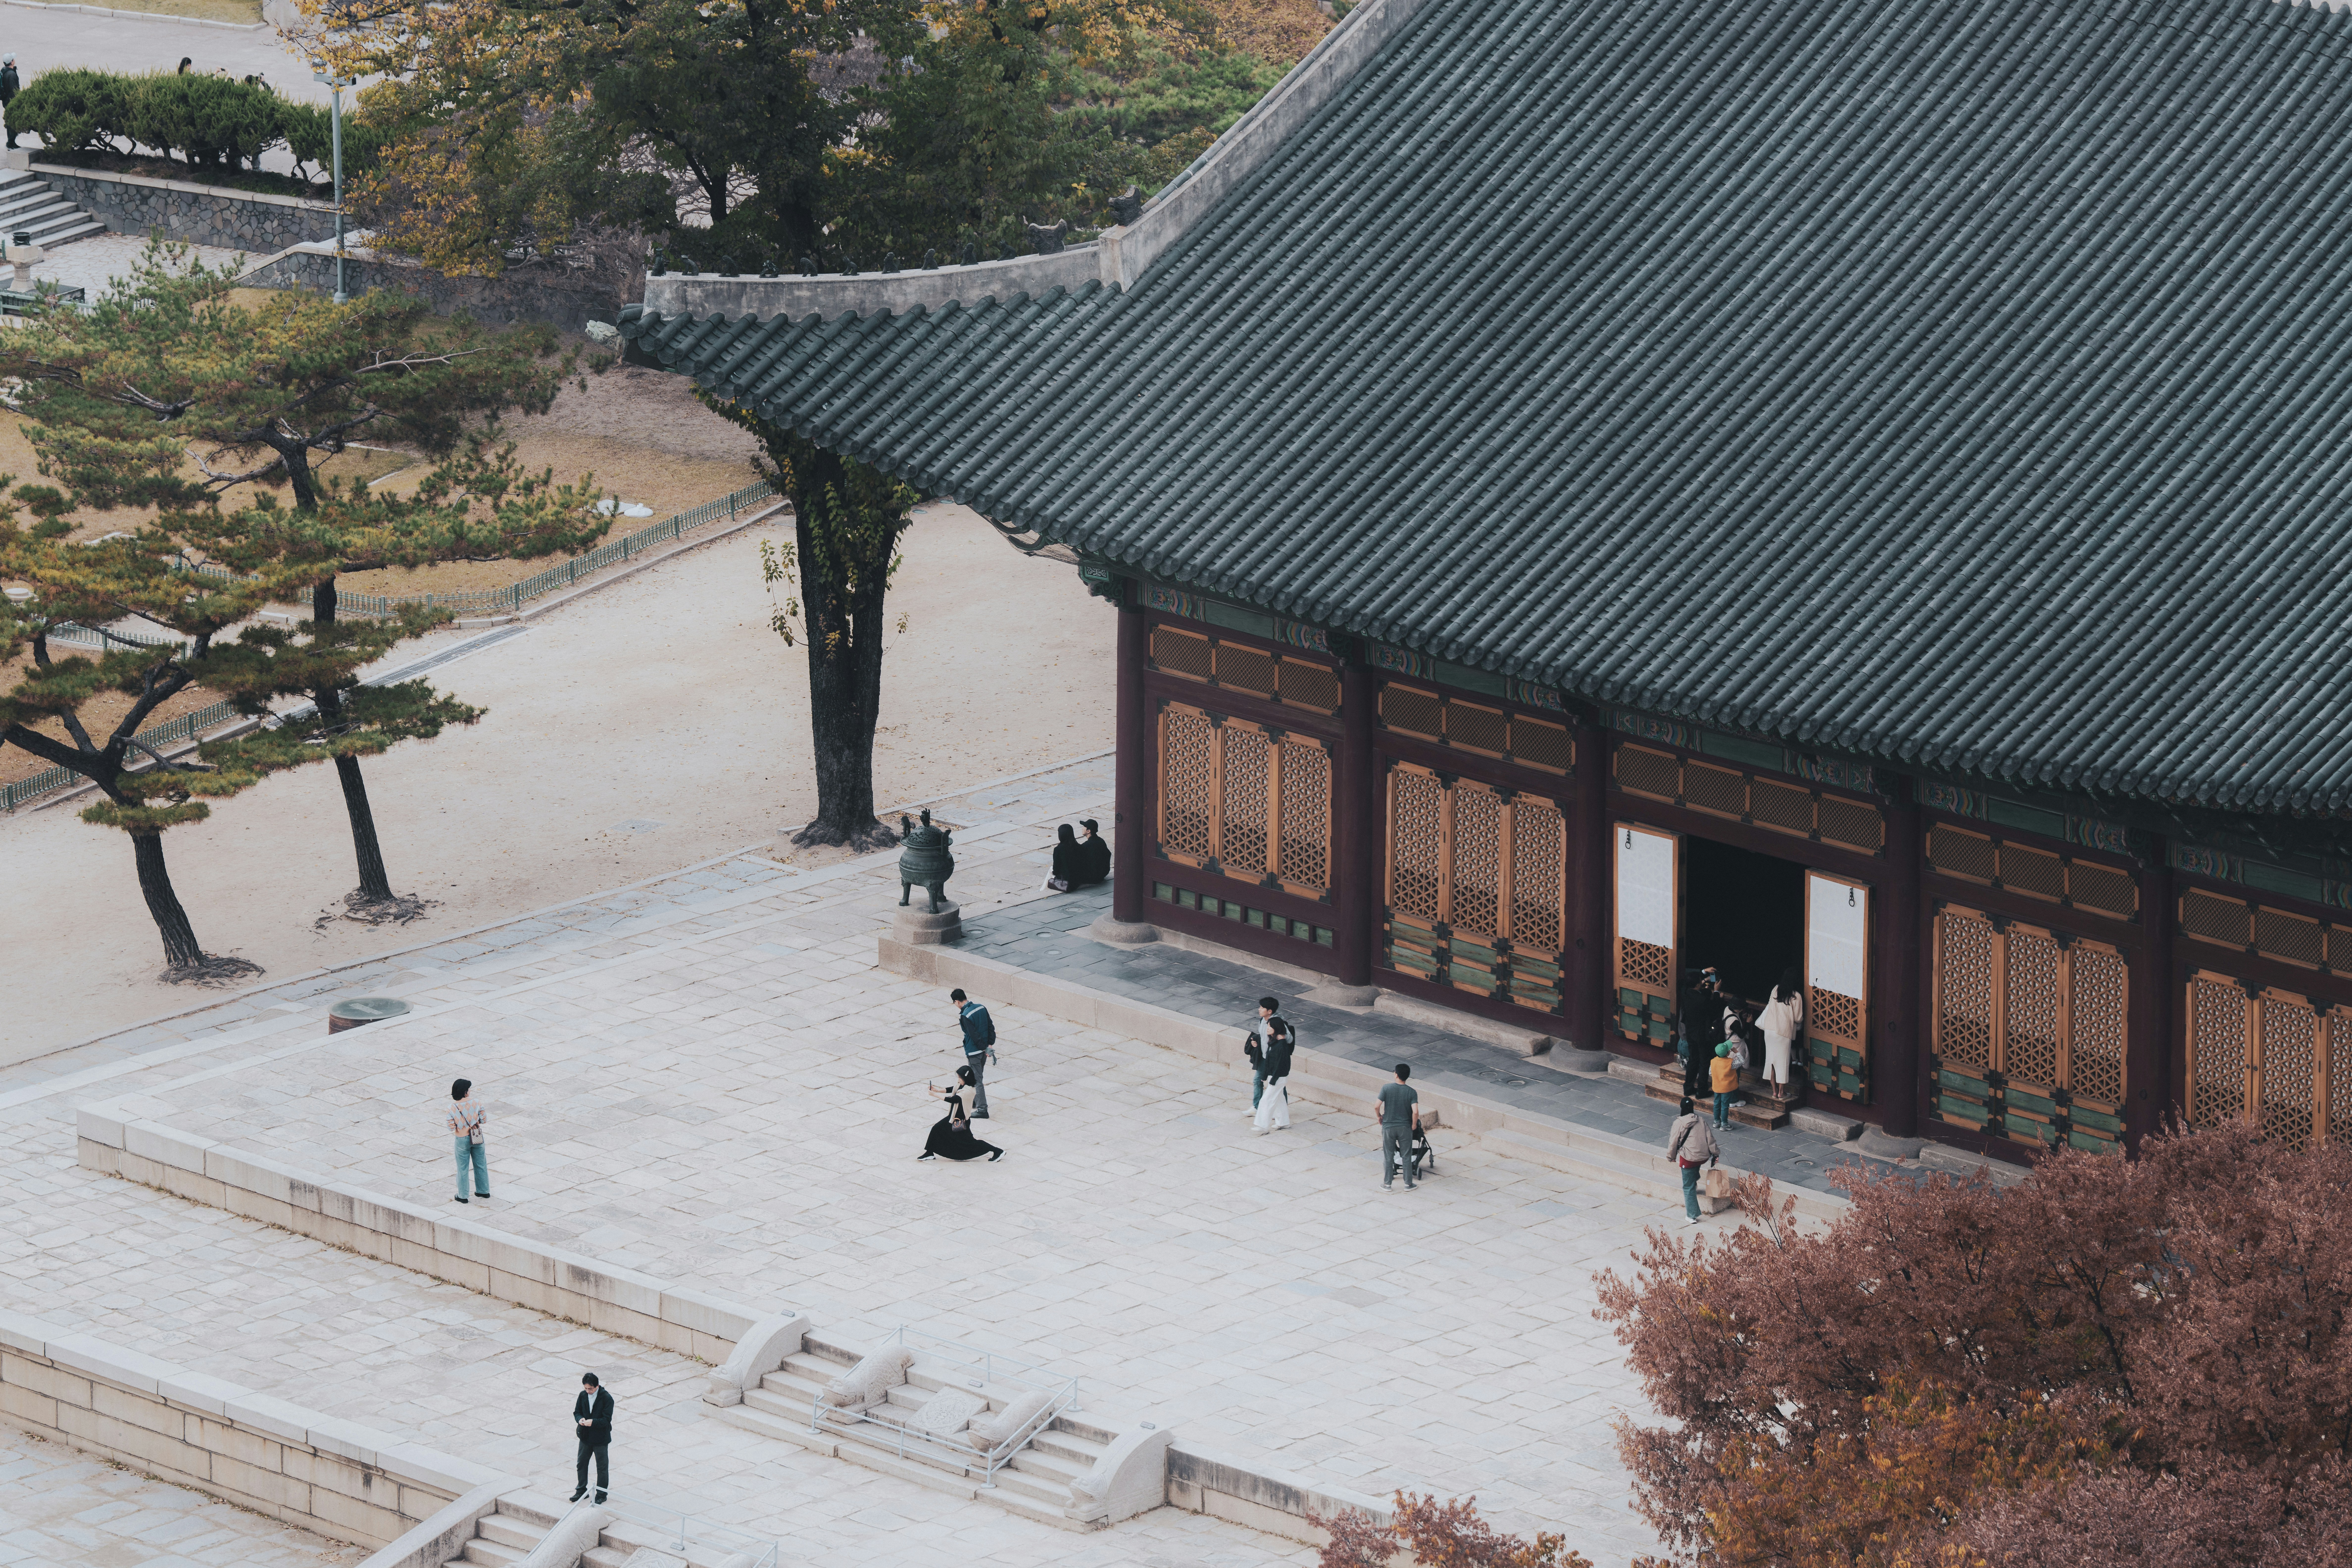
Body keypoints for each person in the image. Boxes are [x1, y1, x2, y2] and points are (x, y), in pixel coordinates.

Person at [919, 1066, 1003, 1161]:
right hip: (953, 1118)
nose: (959, 1080)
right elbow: (953, 1089)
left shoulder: (968, 1091)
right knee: (937, 1129)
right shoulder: (962, 1085)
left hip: (961, 1121)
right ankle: (930, 1153)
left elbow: (954, 1100)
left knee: (971, 1143)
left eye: (960, 1078)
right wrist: (938, 1090)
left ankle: (998, 1151)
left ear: (966, 1078)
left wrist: (935, 1095)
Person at [1665, 1096, 1720, 1227]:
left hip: (1689, 1159)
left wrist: (1671, 1157)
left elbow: (1673, 1143)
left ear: (1681, 1108)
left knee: (1687, 1187)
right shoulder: (1701, 1120)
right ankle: (1694, 1185)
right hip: (1703, 1157)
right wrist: (1716, 1154)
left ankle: (1692, 1216)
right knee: (1695, 1169)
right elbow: (1710, 1139)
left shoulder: (1678, 1123)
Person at [1373, 1062, 1421, 1190]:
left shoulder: (1386, 1088)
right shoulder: (1412, 1092)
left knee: (1389, 1156)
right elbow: (1416, 1112)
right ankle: (1408, 1184)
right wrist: (1414, 1125)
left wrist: (1379, 1117)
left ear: (1396, 1075)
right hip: (1405, 1128)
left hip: (1389, 1127)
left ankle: (1387, 1184)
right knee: (1406, 1155)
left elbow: (1377, 1106)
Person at [1757, 968, 1805, 1089]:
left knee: (1771, 1062)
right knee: (1782, 1063)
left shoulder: (1776, 990)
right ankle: (1781, 1093)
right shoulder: (1797, 996)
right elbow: (1799, 1018)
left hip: (1769, 1031)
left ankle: (1774, 1091)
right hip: (1784, 1033)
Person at [950, 988, 994, 1118]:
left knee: (976, 1080)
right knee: (976, 1077)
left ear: (957, 1002)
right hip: (985, 1049)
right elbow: (991, 1027)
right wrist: (990, 1045)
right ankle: (976, 1101)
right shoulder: (981, 1008)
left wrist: (984, 1048)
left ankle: (982, 1110)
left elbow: (974, 1035)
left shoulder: (965, 1016)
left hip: (975, 1052)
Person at [571, 1374, 612, 1502]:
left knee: (602, 1468)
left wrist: (593, 1422)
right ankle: (581, 1491)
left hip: (600, 1439)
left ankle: (601, 1495)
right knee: (581, 1464)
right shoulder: (583, 1395)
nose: (588, 1392)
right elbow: (577, 1412)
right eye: (586, 1389)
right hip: (585, 1437)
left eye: (591, 1389)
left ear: (597, 1386)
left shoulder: (607, 1399)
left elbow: (607, 1420)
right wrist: (580, 1420)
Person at [1252, 1014, 1295, 1133]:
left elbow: (1282, 1065)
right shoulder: (1273, 1042)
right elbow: (1269, 1062)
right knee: (1280, 1100)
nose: (1268, 1028)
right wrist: (1265, 1076)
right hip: (1274, 1076)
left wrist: (1273, 1080)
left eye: (1270, 1027)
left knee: (1266, 1101)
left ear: (1277, 1029)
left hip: (1278, 1077)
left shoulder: (1281, 1046)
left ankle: (1262, 1127)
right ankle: (1284, 1123)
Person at [447, 1078, 489, 1204]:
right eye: (469, 1089)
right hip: (477, 1136)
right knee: (481, 1164)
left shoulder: (452, 1108)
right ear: (465, 1092)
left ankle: (463, 1196)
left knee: (463, 1168)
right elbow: (484, 1120)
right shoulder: (477, 1103)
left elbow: (451, 1127)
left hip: (461, 1139)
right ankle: (484, 1191)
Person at [1243, 996, 1281, 1114]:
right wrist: (1255, 1040)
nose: (1259, 1009)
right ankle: (1257, 1107)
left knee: (1277, 1085)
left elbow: (1289, 1038)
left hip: (1274, 1059)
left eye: (1262, 1008)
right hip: (1264, 1057)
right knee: (1257, 1080)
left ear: (1269, 1011)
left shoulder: (1278, 1023)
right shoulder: (1262, 1021)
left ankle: (1279, 1111)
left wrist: (1280, 1037)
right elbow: (1263, 1036)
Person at [1710, 1043, 1739, 1129]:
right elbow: (1742, 1061)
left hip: (1717, 1087)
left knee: (1717, 1104)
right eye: (1729, 1050)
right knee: (1725, 1106)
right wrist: (1737, 1052)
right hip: (1727, 1088)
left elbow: (1710, 1073)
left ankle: (1717, 1122)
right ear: (1728, 1054)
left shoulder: (1713, 1061)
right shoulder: (1731, 1062)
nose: (1730, 1050)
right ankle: (1724, 1125)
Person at [1073, 819, 1110, 887]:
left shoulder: (1087, 845)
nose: (1082, 828)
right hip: (1102, 875)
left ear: (1089, 831)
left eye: (1084, 827)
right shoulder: (1101, 841)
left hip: (1092, 878)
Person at [1047, 823, 1083, 891]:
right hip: (1079, 879)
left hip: (1067, 882)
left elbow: (1056, 869)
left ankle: (1043, 889)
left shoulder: (1059, 849)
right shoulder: (1079, 847)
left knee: (1051, 871)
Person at [0, 58, 19, 151]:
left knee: (11, 122)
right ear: (12, 62)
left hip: (6, 101)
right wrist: (18, 101)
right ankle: (10, 143)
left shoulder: (4, 71)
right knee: (13, 122)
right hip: (12, 102)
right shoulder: (11, 74)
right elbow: (14, 90)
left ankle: (12, 143)